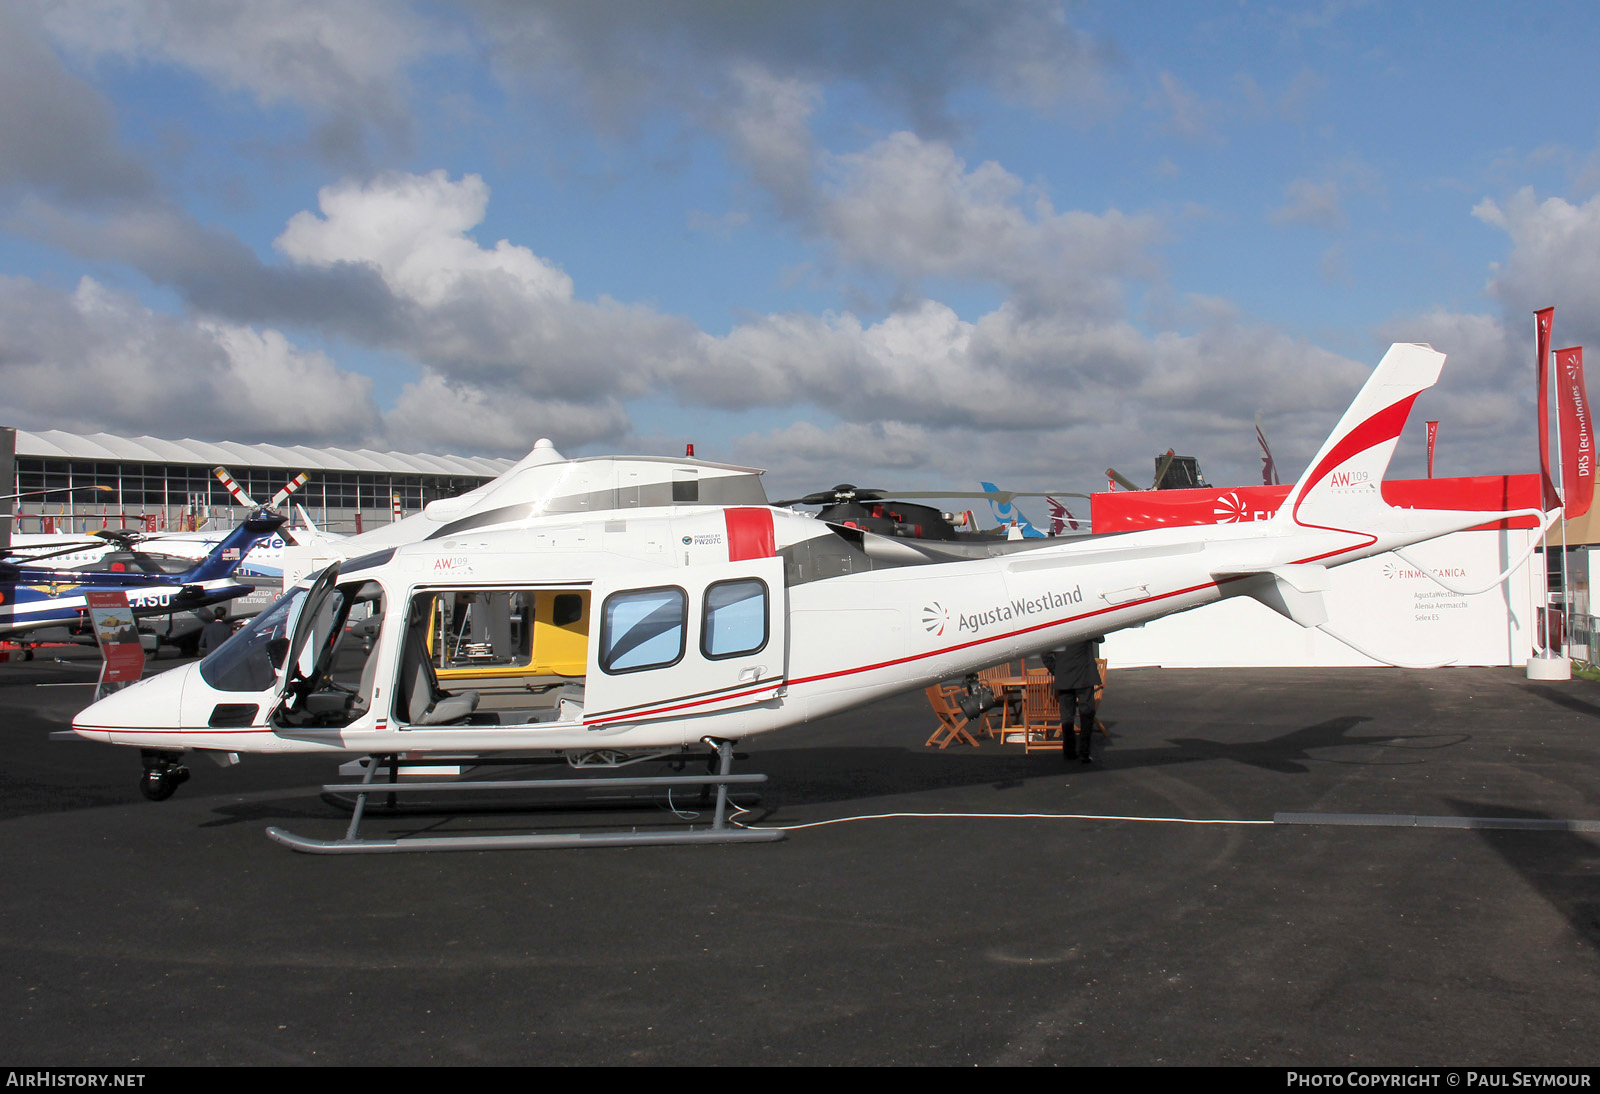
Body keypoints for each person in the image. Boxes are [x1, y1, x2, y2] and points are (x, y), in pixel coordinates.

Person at [1042, 637, 1103, 764]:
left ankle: (1069, 752)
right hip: (1084, 676)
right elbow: (1100, 638)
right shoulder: (1085, 627)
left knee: (1067, 716)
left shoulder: (1057, 631)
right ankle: (1084, 753)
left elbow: (1045, 654)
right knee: (1087, 714)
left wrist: (1057, 670)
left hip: (1065, 677)